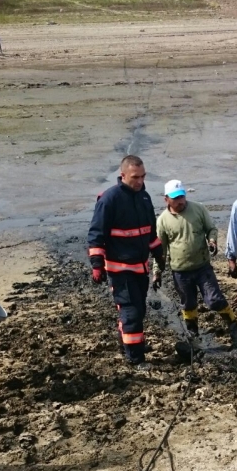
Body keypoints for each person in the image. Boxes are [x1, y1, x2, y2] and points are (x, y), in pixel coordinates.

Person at [87, 155, 164, 366]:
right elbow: (96, 234)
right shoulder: (109, 199)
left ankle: (128, 343)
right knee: (131, 312)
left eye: (143, 176)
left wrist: (159, 253)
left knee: (139, 310)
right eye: (135, 177)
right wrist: (96, 265)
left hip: (140, 268)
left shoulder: (144, 198)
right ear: (123, 176)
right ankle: (135, 359)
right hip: (120, 269)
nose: (140, 181)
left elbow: (150, 232)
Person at [153, 179, 237, 346]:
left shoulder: (198, 209)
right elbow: (161, 251)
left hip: (202, 267)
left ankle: (234, 328)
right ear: (166, 199)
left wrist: (212, 241)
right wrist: (157, 273)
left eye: (182, 196)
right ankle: (193, 335)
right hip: (180, 271)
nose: (181, 201)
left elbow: (211, 229)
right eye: (176, 198)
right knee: (188, 303)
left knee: (214, 300)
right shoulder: (162, 221)